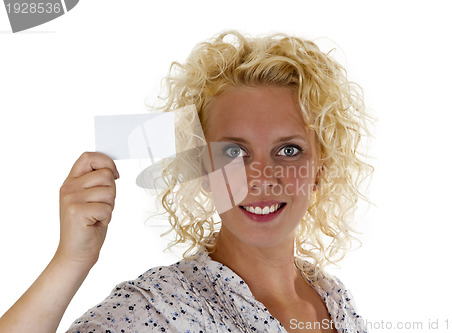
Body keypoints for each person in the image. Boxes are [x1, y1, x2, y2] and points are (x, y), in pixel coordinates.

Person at [0, 31, 371, 332]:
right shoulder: (160, 309)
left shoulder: (333, 300)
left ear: (320, 168)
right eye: (233, 152)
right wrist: (71, 260)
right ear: (202, 168)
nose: (260, 179)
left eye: (288, 150)